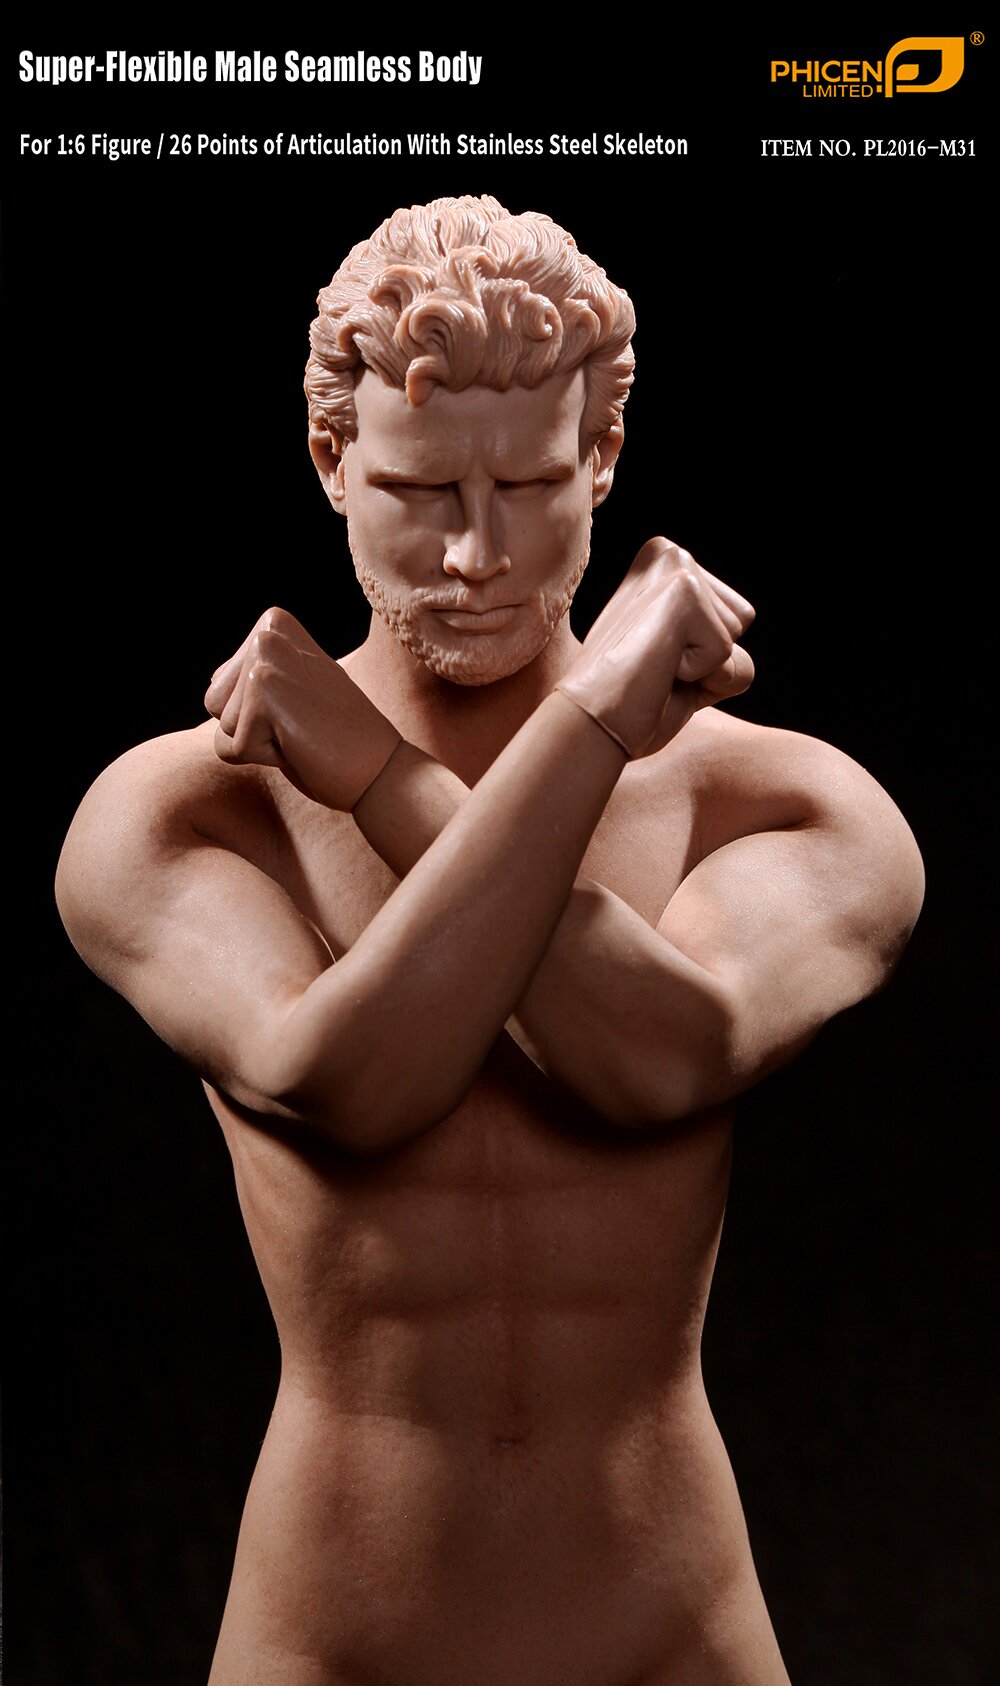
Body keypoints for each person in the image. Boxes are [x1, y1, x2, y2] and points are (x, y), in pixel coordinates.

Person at [55, 196, 923, 1685]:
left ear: (603, 456)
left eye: (528, 483)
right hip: (334, 1639)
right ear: (332, 461)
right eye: (419, 488)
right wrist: (583, 725)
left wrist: (392, 775)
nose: (474, 551)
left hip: (672, 1632)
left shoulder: (778, 801)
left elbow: (667, 1054)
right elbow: (342, 1081)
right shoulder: (188, 809)